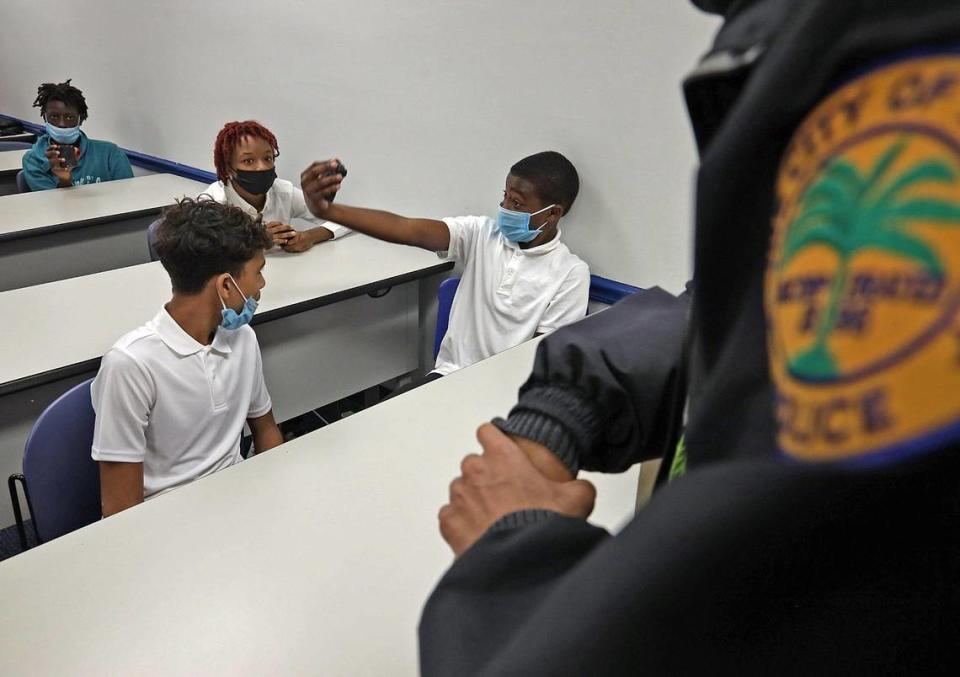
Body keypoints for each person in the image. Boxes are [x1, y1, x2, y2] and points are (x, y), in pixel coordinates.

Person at [418, 0, 960, 673]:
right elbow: (738, 318)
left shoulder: (893, 47)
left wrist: (513, 560)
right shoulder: (796, 43)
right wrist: (565, 405)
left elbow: (817, 581)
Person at [300, 151, 590, 387]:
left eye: (516, 203)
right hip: (448, 379)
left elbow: (542, 364)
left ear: (552, 214)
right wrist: (329, 212)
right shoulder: (482, 234)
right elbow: (408, 229)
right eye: (504, 196)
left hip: (507, 401)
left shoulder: (570, 274)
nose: (504, 208)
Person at [91, 197, 283, 517]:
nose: (262, 285)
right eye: (258, 272)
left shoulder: (243, 339)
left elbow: (266, 430)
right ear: (226, 285)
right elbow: (120, 510)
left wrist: (278, 496)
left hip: (241, 501)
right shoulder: (131, 365)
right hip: (168, 522)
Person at [205, 120, 349, 252]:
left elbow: (346, 219)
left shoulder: (284, 192)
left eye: (268, 158)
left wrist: (310, 237)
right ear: (228, 168)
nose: (262, 167)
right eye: (248, 161)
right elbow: (196, 252)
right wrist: (254, 240)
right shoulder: (213, 202)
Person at [21, 79, 133, 190]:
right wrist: (65, 181)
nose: (62, 124)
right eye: (54, 117)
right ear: (45, 117)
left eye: (69, 117)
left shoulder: (110, 153)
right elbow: (51, 205)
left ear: (81, 119)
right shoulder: (33, 160)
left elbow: (128, 194)